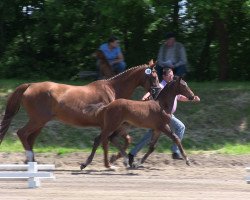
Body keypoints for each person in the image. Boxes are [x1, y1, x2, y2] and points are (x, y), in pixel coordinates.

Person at [128, 68, 200, 167]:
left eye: (172, 75)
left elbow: (179, 97)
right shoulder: (161, 85)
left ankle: (132, 153)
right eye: (169, 75)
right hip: (162, 114)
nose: (171, 77)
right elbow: (150, 92)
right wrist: (144, 98)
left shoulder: (174, 86)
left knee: (150, 135)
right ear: (164, 76)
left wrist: (192, 99)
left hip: (167, 115)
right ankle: (175, 152)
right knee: (180, 127)